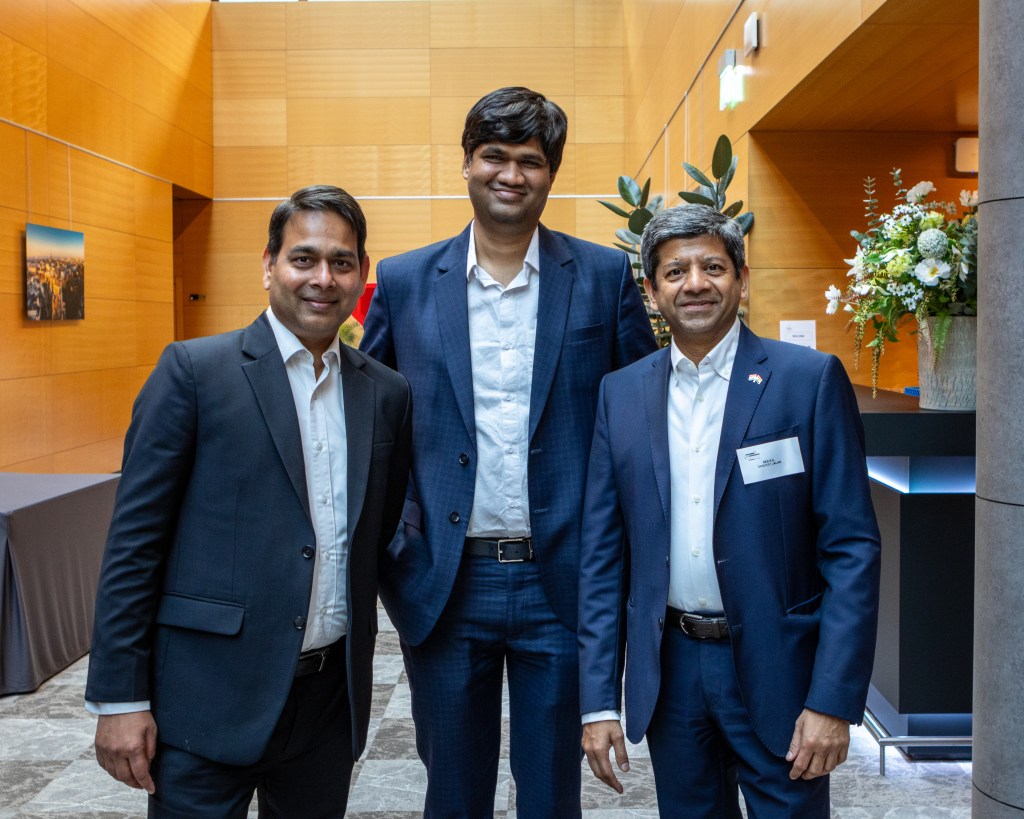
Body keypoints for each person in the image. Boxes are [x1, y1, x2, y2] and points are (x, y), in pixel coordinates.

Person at [360, 86, 657, 817]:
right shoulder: (401, 280)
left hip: (560, 582)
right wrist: (399, 540)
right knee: (454, 793)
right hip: (444, 581)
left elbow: (641, 416)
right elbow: (370, 419)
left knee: (552, 793)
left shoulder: (601, 277)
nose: (511, 174)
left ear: (550, 174)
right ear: (466, 163)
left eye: (530, 160)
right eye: (495, 156)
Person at [85, 185, 412, 818]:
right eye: (303, 258)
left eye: (342, 263)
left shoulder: (387, 393)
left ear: (361, 276)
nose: (323, 278)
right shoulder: (194, 373)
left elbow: (376, 533)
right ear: (268, 265)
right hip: (206, 700)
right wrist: (119, 698)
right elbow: (133, 545)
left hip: (326, 705)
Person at [578, 204, 881, 817]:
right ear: (652, 290)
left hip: (781, 671)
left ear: (742, 278)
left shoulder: (808, 380)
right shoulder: (621, 392)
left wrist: (833, 699)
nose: (694, 284)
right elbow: (602, 557)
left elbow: (852, 549)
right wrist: (599, 701)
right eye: (674, 272)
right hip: (672, 673)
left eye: (712, 266)